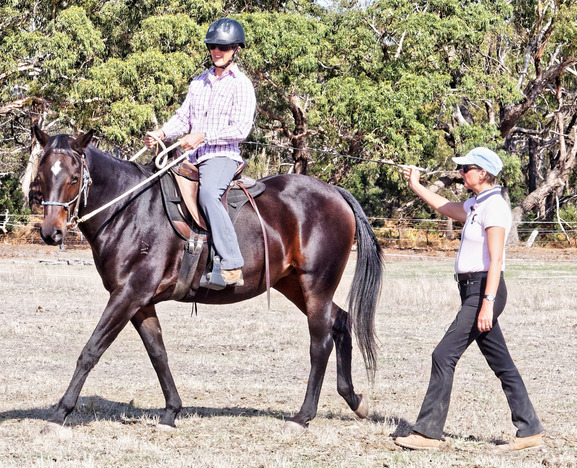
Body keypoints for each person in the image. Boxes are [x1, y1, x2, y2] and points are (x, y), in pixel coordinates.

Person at [394, 147, 544, 451]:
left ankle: (426, 433)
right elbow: (445, 207)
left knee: (443, 355)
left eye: (467, 168)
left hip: (483, 291)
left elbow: (496, 259)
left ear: (483, 173)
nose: (462, 173)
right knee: (502, 363)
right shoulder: (477, 204)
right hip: (473, 291)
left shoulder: (495, 208)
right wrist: (416, 185)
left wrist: (487, 302)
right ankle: (530, 430)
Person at [145, 18, 256, 288]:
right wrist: (162, 133)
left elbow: (241, 128)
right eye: (213, 46)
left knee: (207, 194)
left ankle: (230, 265)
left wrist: (203, 136)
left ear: (236, 50)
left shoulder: (241, 84)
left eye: (224, 47)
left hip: (221, 156)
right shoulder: (199, 82)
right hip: (190, 157)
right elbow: (184, 118)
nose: (217, 51)